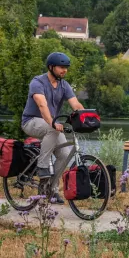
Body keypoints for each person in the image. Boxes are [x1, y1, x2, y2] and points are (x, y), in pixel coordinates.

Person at [21, 52, 85, 202]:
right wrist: (52, 123)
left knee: (65, 154)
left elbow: (75, 104)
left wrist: (86, 117)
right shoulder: (38, 82)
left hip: (51, 124)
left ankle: (50, 189)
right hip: (31, 121)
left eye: (66, 67)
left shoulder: (64, 85)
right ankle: (42, 167)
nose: (65, 70)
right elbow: (42, 105)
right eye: (62, 67)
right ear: (51, 67)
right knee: (52, 129)